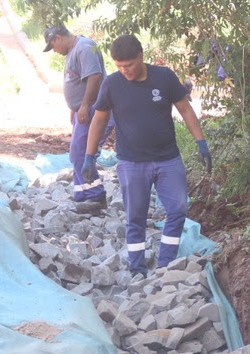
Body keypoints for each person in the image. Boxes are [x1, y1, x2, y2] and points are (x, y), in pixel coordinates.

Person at [83, 34, 210, 276]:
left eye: (129, 65)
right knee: (135, 218)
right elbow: (99, 120)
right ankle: (137, 270)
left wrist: (201, 142)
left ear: (141, 57)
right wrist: (89, 156)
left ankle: (165, 264)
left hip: (168, 159)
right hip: (131, 162)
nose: (125, 71)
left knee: (178, 209)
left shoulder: (164, 77)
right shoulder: (112, 84)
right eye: (119, 66)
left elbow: (185, 109)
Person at [43, 25, 110, 213]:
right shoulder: (74, 50)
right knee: (76, 153)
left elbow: (94, 77)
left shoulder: (84, 48)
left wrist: (85, 105)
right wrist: (75, 107)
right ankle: (83, 194)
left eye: (53, 46)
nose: (54, 51)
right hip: (83, 111)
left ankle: (95, 197)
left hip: (93, 110)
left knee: (82, 151)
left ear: (57, 38)